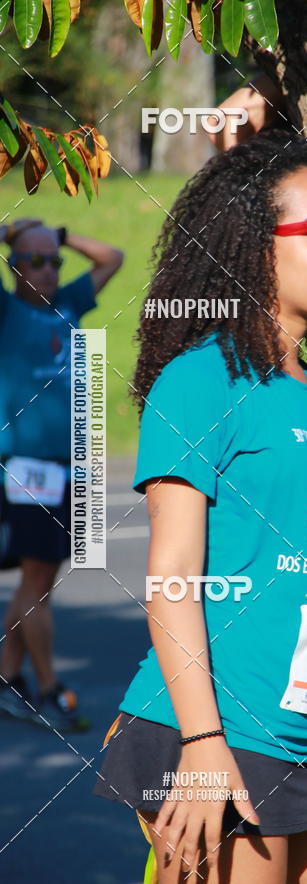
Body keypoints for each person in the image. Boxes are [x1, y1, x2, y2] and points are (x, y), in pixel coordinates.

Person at [93, 130, 307, 884]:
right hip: (213, 735)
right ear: (254, 248)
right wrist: (205, 744)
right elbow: (172, 576)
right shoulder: (199, 381)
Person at [0, 218, 123, 731]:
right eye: (35, 261)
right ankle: (48, 687)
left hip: (70, 463)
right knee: (36, 577)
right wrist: (11, 232)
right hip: (24, 468)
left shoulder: (69, 303)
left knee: (40, 581)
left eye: (54, 261)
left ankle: (8, 681)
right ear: (13, 267)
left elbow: (112, 256)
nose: (49, 271)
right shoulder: (7, 311)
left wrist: (61, 234)